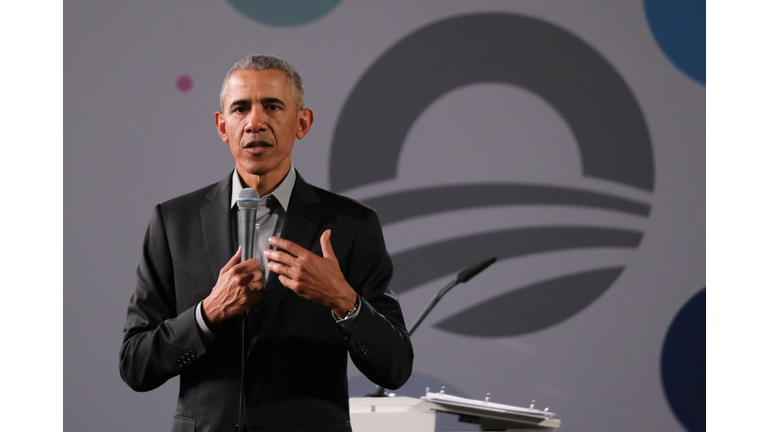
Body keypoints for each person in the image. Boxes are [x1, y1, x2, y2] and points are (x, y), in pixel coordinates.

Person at [119, 54, 413, 432]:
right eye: (241, 109)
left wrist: (344, 301)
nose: (255, 122)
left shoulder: (351, 225)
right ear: (222, 126)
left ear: (302, 122)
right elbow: (135, 364)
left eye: (272, 106)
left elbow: (395, 366)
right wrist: (206, 314)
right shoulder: (174, 222)